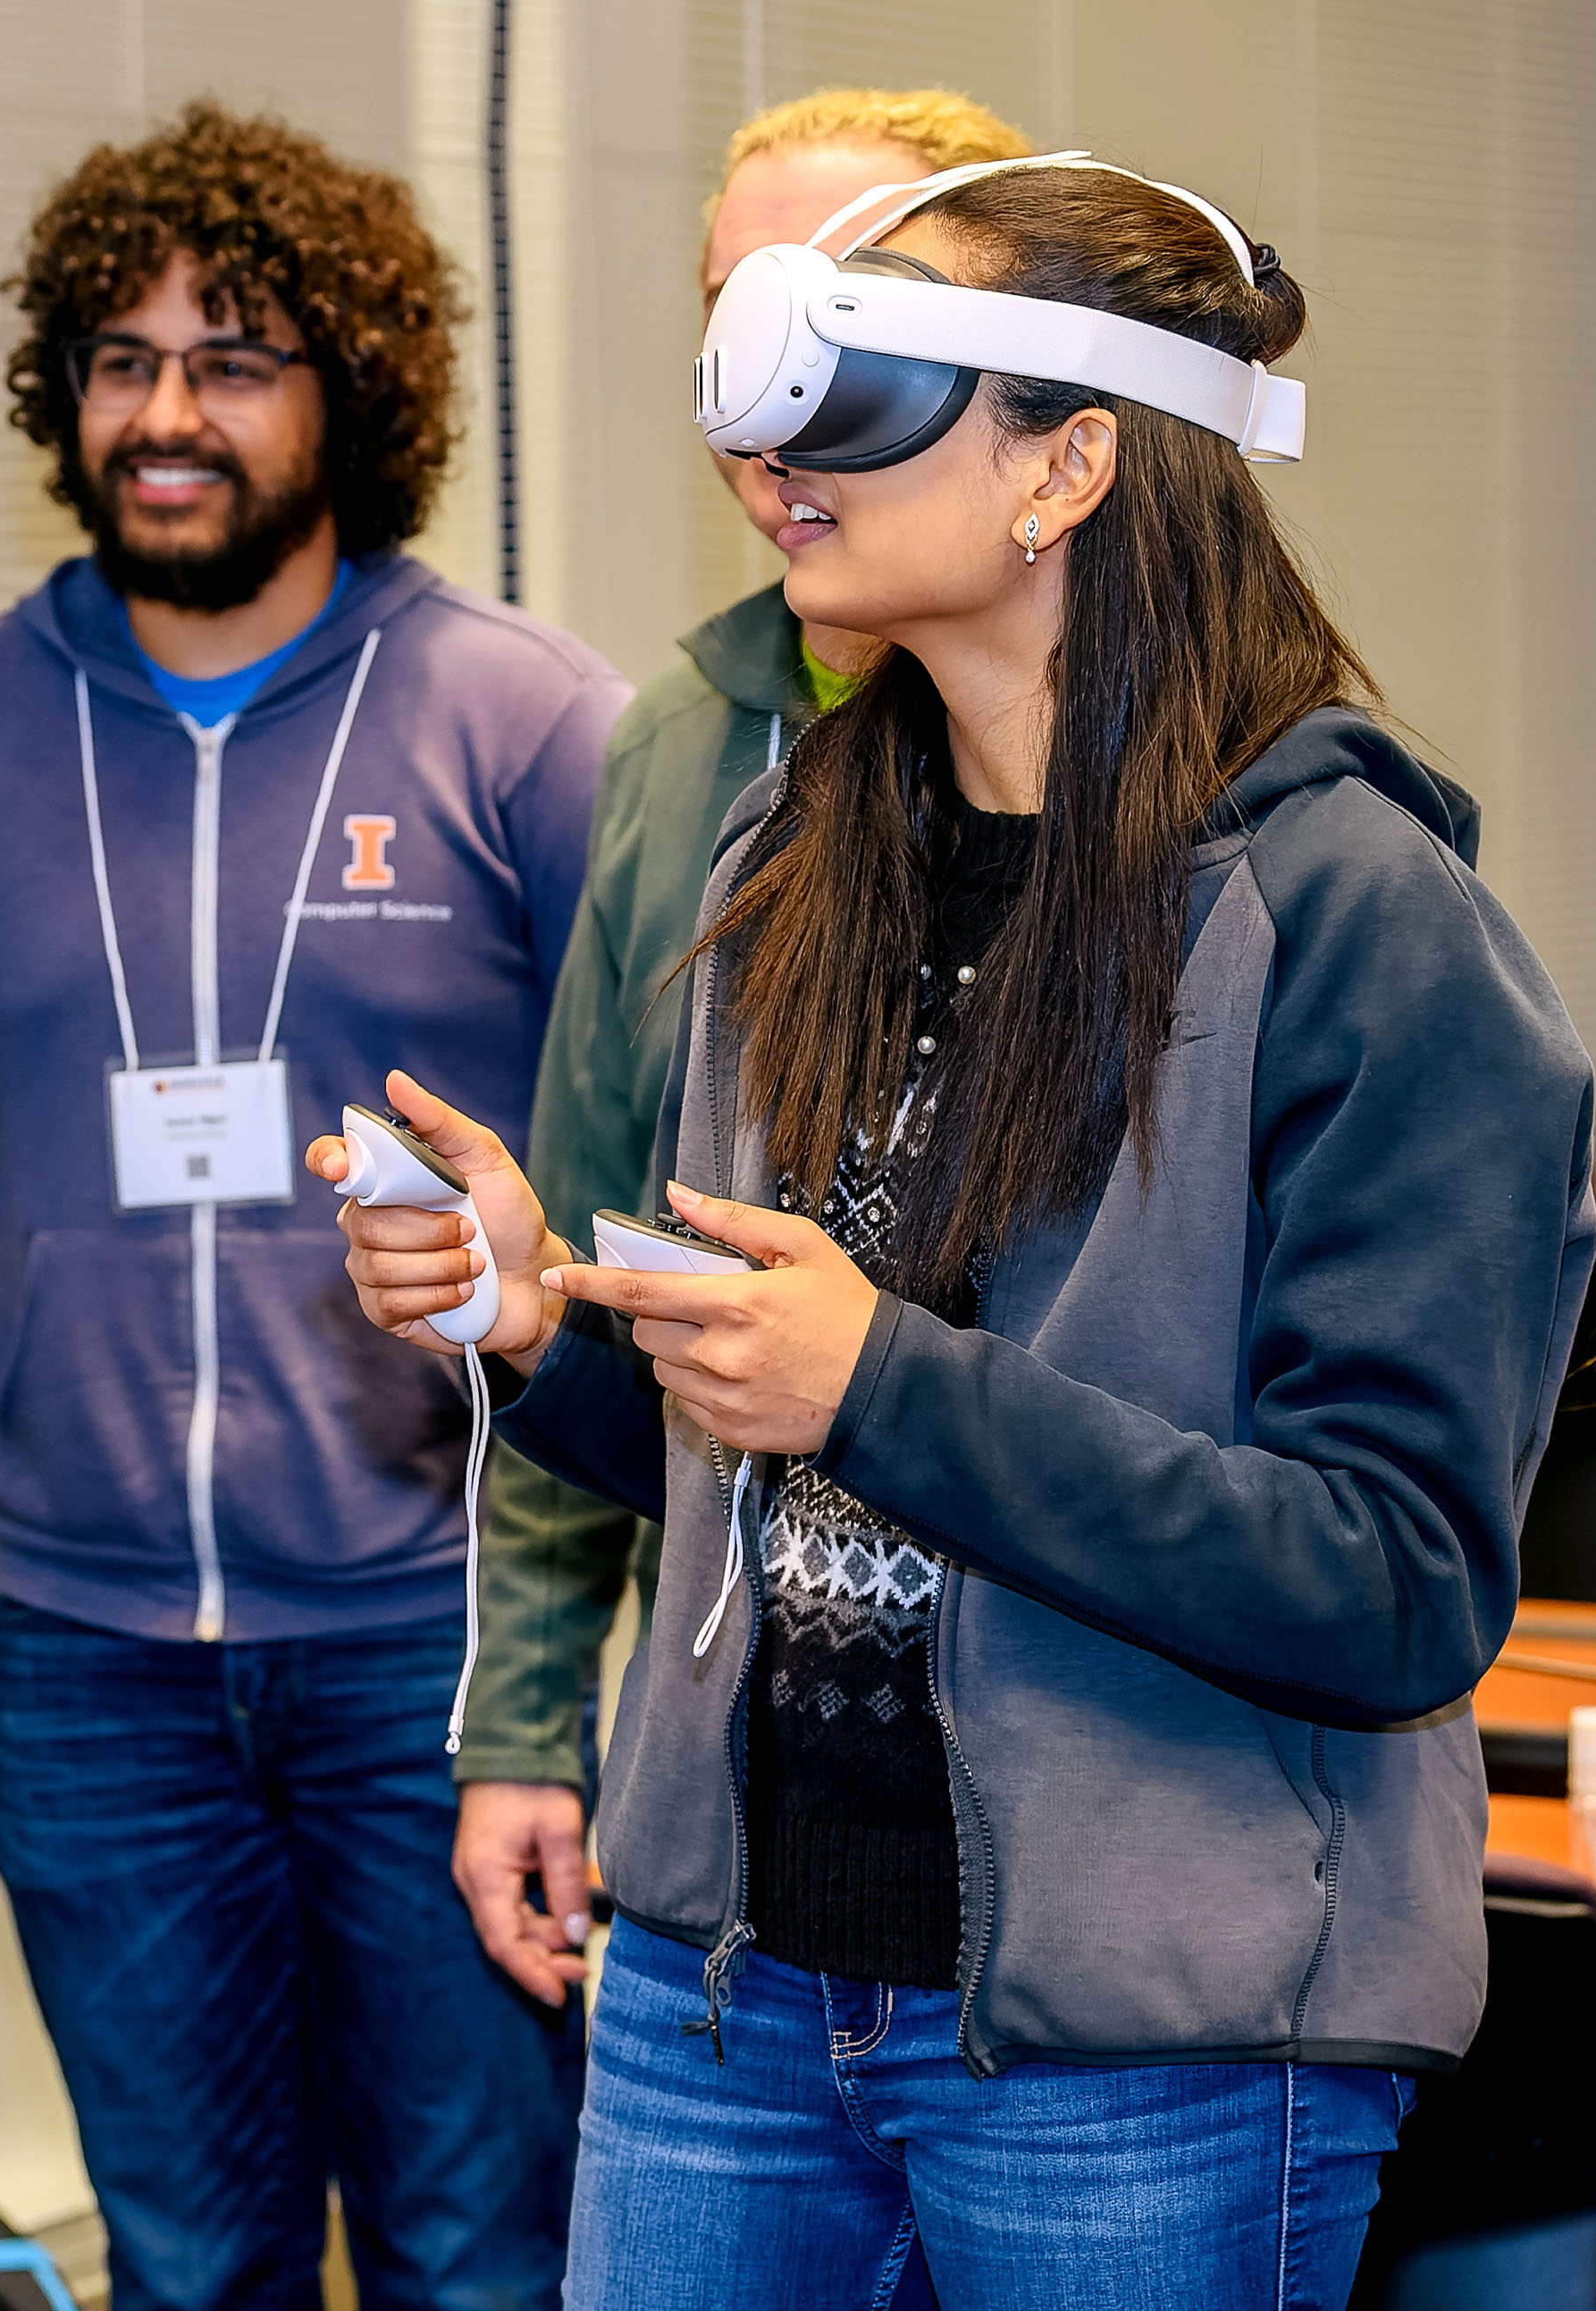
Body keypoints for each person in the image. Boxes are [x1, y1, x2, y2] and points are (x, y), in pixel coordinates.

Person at [323, 155, 1595, 2308]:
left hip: (1141, 2058)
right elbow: (779, 1472)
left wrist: (882, 1387)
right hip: (728, 1999)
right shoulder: (798, 853)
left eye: (865, 398)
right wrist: (549, 1330)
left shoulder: (1367, 929)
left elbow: (1398, 1580)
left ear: (1069, 464)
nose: (775, 463)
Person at [0, 100, 623, 2311]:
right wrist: (68, 1363)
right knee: (184, 2261)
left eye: (233, 356)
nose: (164, 412)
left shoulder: (525, 724)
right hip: (89, 1667)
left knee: (481, 2252)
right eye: (118, 358)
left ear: (351, 392)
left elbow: (626, 1160)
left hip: (434, 1646)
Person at [458, 84, 1032, 2009]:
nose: (766, 392)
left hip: (1065, 1826)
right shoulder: (680, 750)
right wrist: (533, 1723)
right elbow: (594, 1262)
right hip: (737, 1813)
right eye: (731, 322)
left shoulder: (1212, 824)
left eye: (840, 319)